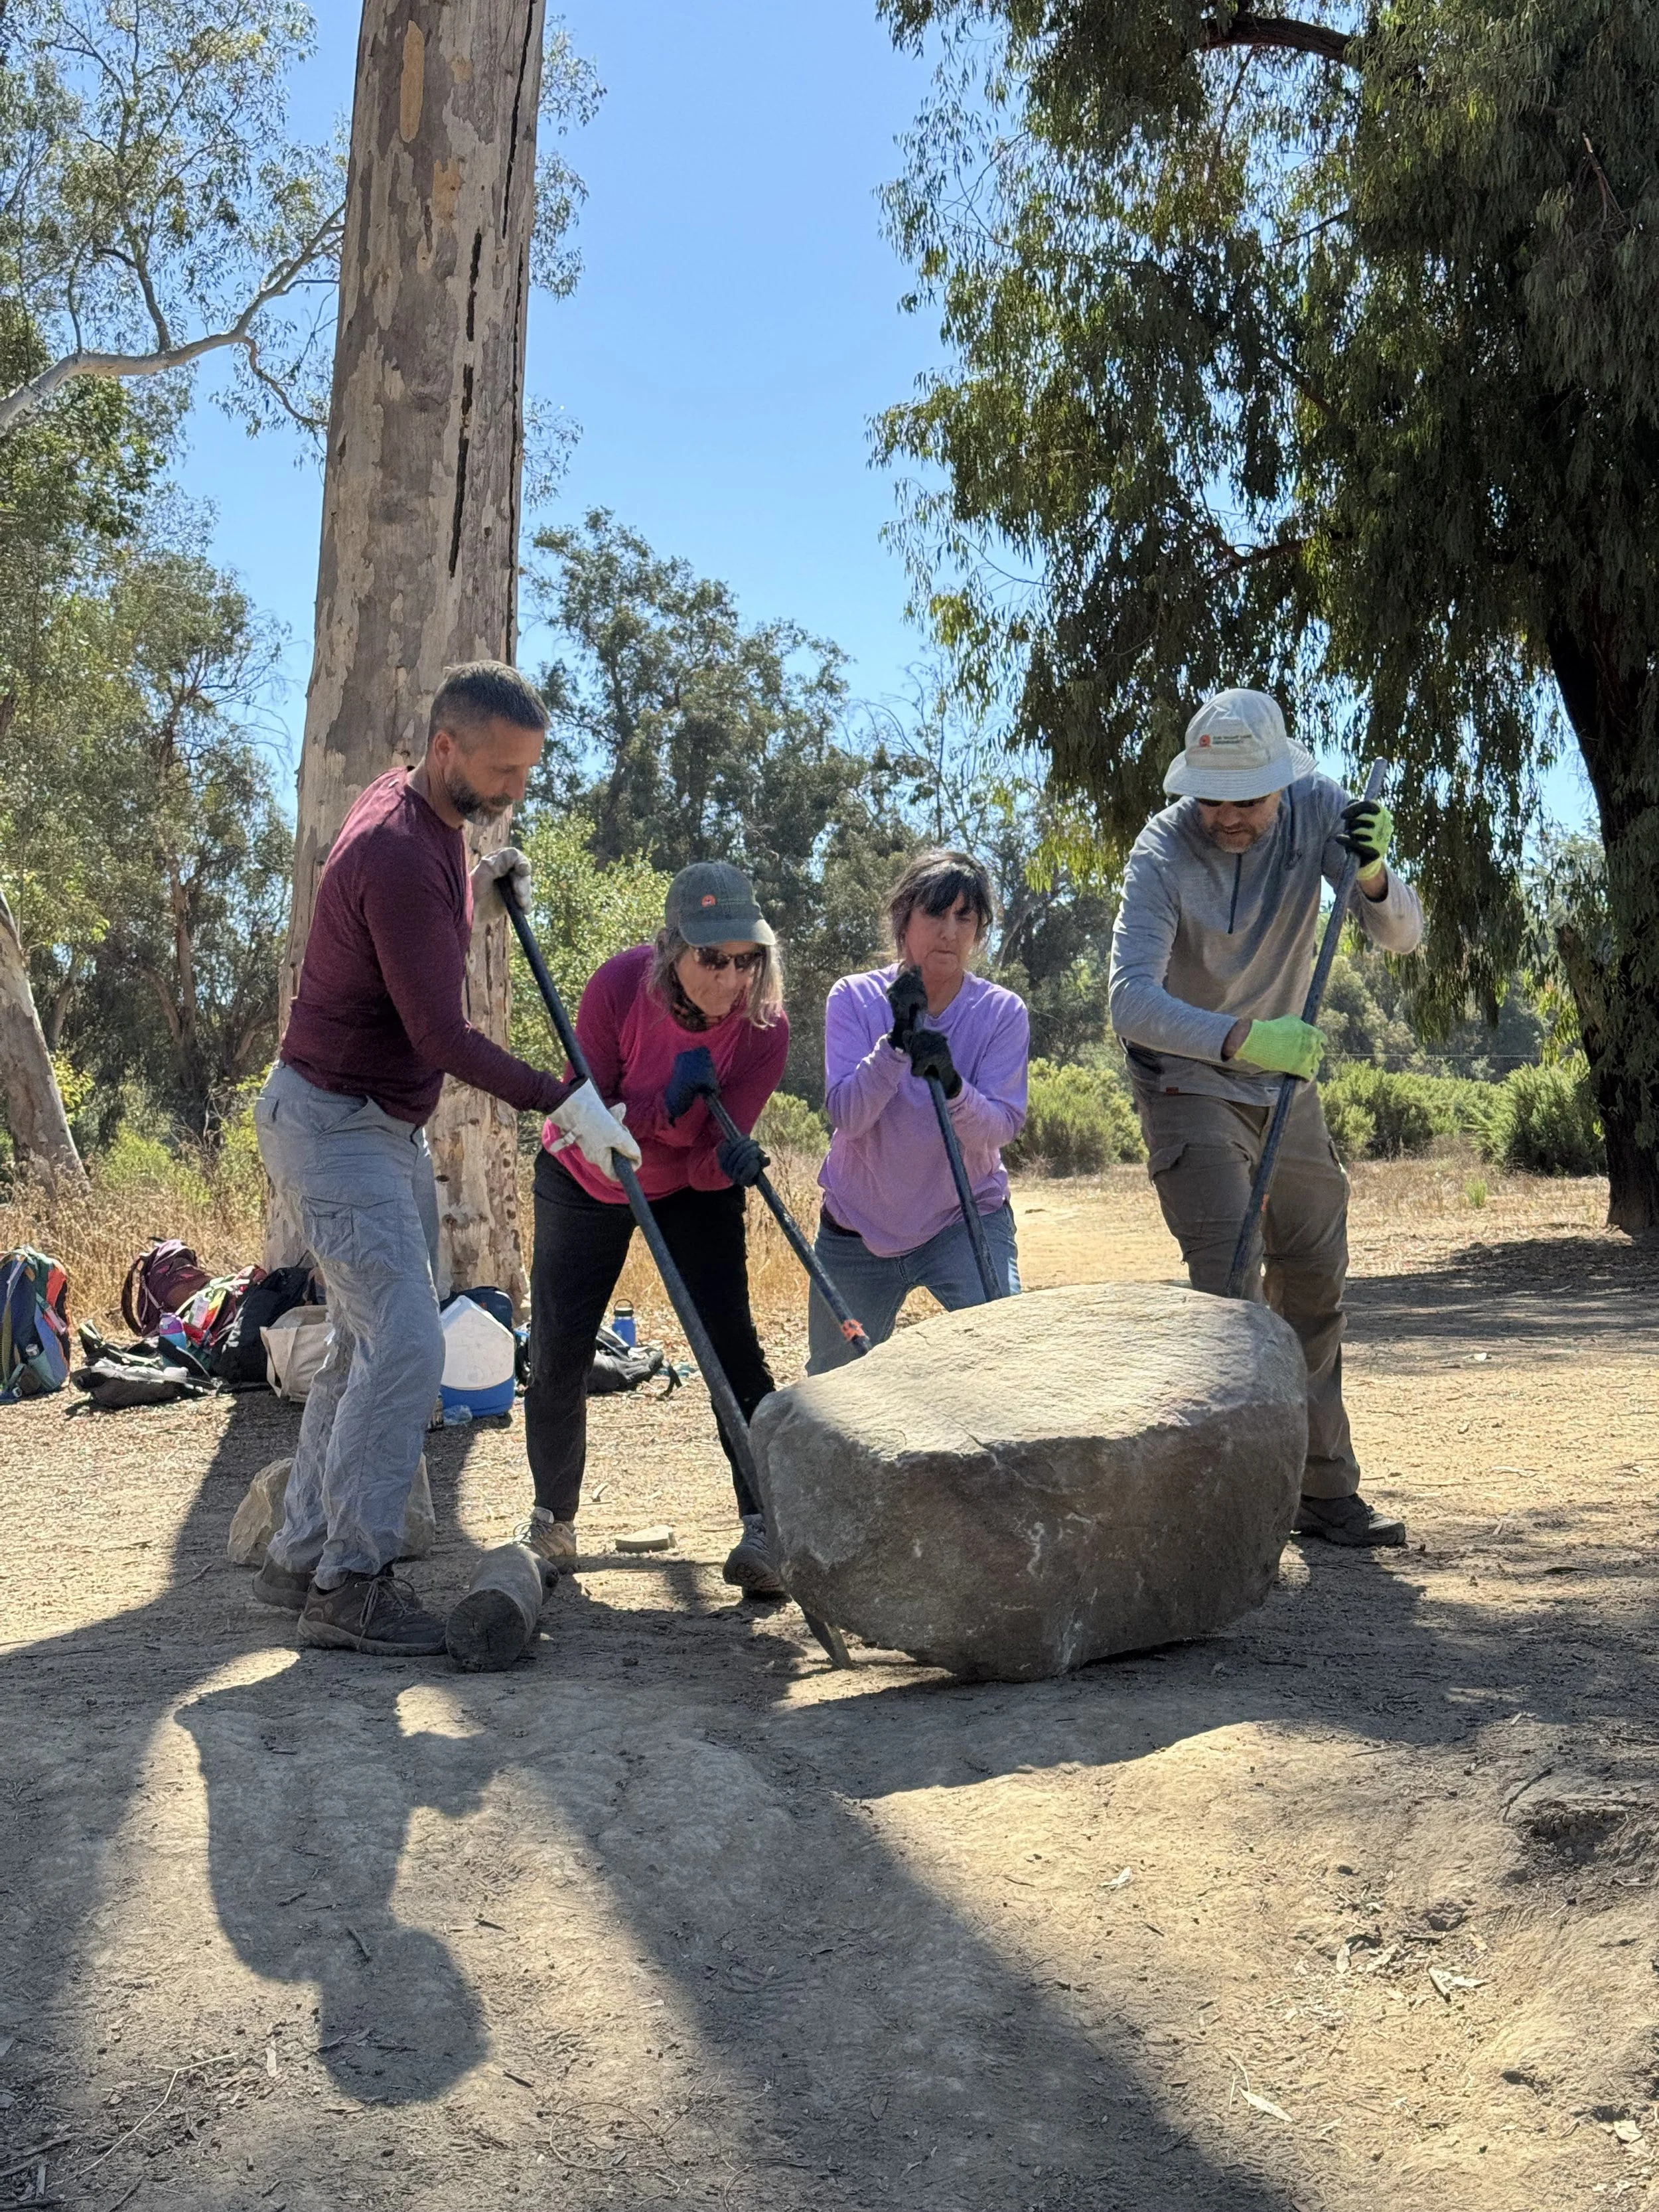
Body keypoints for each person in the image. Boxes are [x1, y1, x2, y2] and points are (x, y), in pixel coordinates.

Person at [253, 661, 638, 1655]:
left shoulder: (422, 812)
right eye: (502, 772)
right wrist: (563, 1100)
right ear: (443, 748)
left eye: (527, 773)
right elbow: (440, 1034)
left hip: (373, 1123)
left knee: (364, 1341)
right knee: (407, 1346)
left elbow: (415, 939)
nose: (515, 791)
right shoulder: (396, 850)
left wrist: (480, 889)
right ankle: (350, 1585)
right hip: (337, 1124)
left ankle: (303, 1554)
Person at [1108, 686, 1423, 1546]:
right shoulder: (1161, 850)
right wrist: (1244, 1037)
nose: (1227, 816)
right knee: (1230, 1293)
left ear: (1283, 782)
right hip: (1188, 1082)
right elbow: (1129, 1000)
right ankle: (1233, 1505)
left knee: (1314, 1280)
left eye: (1246, 799)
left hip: (1287, 1088)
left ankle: (1322, 1488)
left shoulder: (1320, 810)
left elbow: (1402, 937)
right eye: (1211, 797)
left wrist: (1374, 876)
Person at [521, 862, 790, 1596]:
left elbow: (703, 1164)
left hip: (689, 1188)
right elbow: (587, 1115)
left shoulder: (764, 1029)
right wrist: (665, 1110)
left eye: (747, 959)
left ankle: (768, 1524)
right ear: (671, 949)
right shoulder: (616, 987)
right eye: (712, 958)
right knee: (558, 1350)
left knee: (731, 1345)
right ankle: (552, 1520)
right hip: (586, 1174)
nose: (732, 978)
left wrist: (727, 1159)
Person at [806, 849, 1028, 1373]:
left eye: (965, 917)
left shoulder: (1002, 1012)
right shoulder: (854, 998)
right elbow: (848, 1117)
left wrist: (952, 1085)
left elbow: (1001, 1127)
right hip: (856, 1227)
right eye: (935, 913)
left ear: (979, 931)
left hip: (964, 1219)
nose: (950, 931)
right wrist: (895, 1045)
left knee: (1008, 1361)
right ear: (903, 919)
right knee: (833, 1388)